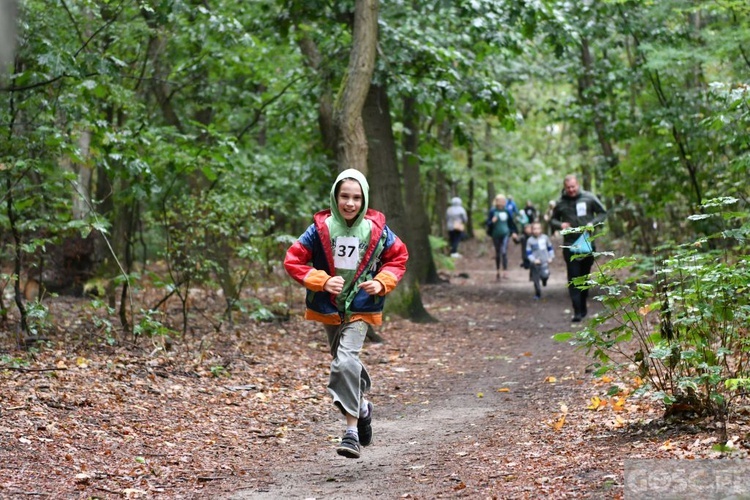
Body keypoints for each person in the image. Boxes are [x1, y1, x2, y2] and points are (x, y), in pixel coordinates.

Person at [284, 168, 409, 459]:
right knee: (343, 362)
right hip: (330, 306)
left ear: (364, 199)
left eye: (356, 197)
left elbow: (398, 258)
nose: (350, 203)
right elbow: (293, 260)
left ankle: (351, 431)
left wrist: (381, 282)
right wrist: (322, 280)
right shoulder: (321, 228)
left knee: (344, 362)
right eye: (344, 196)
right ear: (335, 197)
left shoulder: (377, 230)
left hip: (362, 306)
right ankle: (363, 407)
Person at [550, 174, 607, 322]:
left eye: (573, 187)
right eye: (568, 187)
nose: (571, 190)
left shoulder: (589, 197)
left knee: (585, 276)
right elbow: (552, 220)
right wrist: (560, 225)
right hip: (569, 244)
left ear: (578, 185)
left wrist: (592, 223)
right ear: (564, 188)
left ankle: (583, 304)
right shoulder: (560, 202)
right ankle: (577, 311)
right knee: (574, 277)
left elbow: (602, 213)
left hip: (587, 243)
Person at [487, 194, 518, 281]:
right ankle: (498, 270)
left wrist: (514, 232)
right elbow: (488, 224)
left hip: (505, 234)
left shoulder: (507, 211)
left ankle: (505, 270)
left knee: (504, 251)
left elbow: (511, 223)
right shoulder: (493, 211)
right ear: (497, 202)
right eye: (500, 200)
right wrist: (492, 222)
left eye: (503, 200)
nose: (502, 202)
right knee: (497, 253)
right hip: (495, 234)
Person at [526, 222, 554, 299]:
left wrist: (550, 257)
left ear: (541, 229)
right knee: (536, 280)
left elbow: (550, 248)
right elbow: (528, 253)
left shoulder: (545, 238)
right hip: (535, 264)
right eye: (534, 229)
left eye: (538, 228)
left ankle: (544, 280)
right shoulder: (530, 240)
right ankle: (538, 293)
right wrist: (533, 260)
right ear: (532, 230)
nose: (536, 230)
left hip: (545, 262)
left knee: (545, 275)